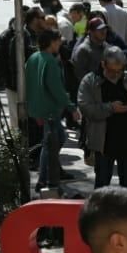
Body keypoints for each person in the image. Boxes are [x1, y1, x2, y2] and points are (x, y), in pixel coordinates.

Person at [77, 48, 127, 189]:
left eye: (119, 70)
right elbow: (85, 107)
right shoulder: (90, 82)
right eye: (112, 71)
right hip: (104, 144)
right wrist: (110, 108)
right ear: (103, 65)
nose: (116, 74)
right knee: (102, 187)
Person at [25, 28, 73, 195]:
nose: (60, 44)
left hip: (37, 107)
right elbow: (56, 89)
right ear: (52, 42)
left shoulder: (33, 58)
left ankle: (45, 174)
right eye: (58, 41)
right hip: (49, 110)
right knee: (50, 143)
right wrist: (71, 107)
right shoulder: (50, 61)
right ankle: (43, 179)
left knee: (57, 138)